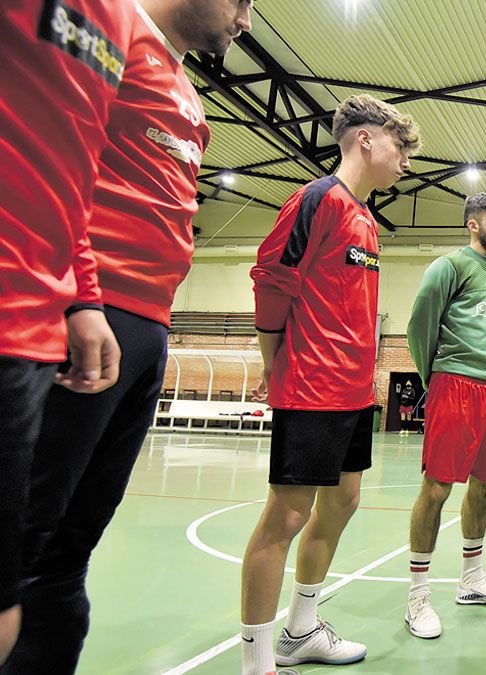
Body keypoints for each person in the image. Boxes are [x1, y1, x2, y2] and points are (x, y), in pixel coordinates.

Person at [3, 2, 250, 672]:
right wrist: (81, 295)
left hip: (149, 327)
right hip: (86, 314)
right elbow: (64, 160)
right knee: (28, 538)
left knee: (72, 543)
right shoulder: (114, 35)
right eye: (242, 2)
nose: (246, 21)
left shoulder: (188, 92)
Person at [238, 94, 419, 675]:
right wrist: (273, 361)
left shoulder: (366, 218)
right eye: (400, 145)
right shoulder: (318, 200)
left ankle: (301, 629)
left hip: (352, 392)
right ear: (365, 139)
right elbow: (271, 280)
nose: (406, 160)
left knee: (342, 502)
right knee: (286, 517)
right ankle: (257, 659)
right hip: (310, 384)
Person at [0, 1, 138, 665]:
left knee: (17, 585)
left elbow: (73, 165)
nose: (249, 21)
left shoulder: (115, 21)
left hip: (32, 322)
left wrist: (83, 293)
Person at [404, 193, 486, 640]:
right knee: (437, 488)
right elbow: (420, 326)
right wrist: (434, 377)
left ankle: (472, 580)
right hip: (454, 383)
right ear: (473, 225)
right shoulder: (448, 267)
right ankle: (417, 596)